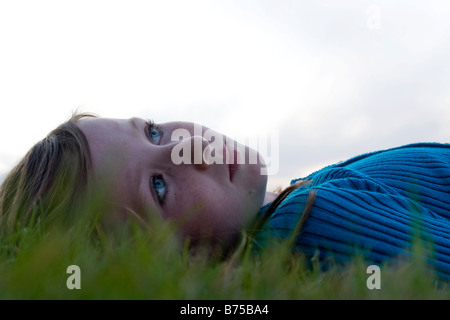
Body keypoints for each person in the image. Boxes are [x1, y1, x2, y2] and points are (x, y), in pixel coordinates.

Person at [0, 112, 449, 281]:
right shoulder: (311, 226)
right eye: (159, 187)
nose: (188, 148)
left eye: (154, 131)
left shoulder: (291, 203)